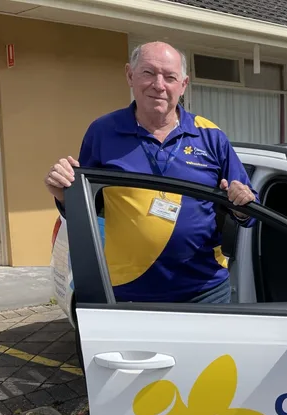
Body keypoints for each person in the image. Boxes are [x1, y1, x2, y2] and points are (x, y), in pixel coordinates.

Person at [44, 41, 257, 304]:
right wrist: (64, 194)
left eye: (170, 77)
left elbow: (249, 213)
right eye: (148, 73)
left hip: (206, 291)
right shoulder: (102, 132)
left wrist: (241, 204)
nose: (159, 85)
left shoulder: (210, 136)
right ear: (129, 75)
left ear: (183, 85)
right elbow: (87, 206)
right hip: (129, 291)